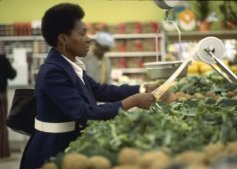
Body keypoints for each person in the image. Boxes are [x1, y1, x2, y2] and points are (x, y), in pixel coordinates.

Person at [20, 3, 159, 169]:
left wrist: (142, 88)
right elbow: (85, 113)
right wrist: (133, 101)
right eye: (82, 33)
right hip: (51, 150)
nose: (88, 38)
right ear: (63, 38)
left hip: (69, 143)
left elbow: (101, 90)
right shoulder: (53, 72)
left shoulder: (70, 65)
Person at [0, 54, 16, 158]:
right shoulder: (2, 59)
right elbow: (12, 74)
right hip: (1, 94)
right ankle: (2, 152)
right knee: (1, 125)